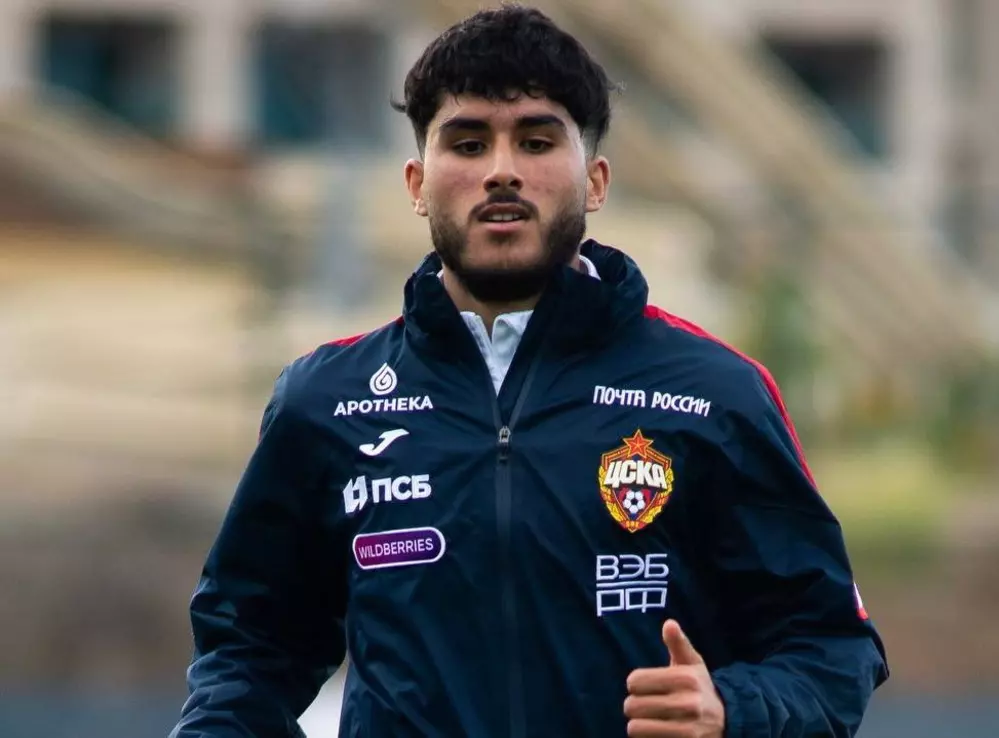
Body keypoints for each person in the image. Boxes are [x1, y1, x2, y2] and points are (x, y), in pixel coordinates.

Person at [170, 5, 888, 737]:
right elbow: (248, 652)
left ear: (596, 181)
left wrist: (730, 708)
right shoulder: (325, 401)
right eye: (469, 143)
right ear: (417, 183)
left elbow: (832, 651)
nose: (502, 170)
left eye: (537, 141)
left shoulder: (716, 393)